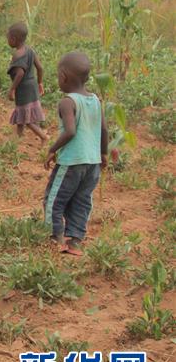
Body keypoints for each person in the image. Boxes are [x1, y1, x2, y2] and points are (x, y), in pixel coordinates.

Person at [43, 52, 108, 256]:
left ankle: (55, 237)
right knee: (81, 201)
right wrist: (103, 154)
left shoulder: (68, 102)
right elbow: (104, 129)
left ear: (63, 76)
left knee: (54, 200)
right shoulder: (95, 100)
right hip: (92, 163)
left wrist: (52, 149)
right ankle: (75, 241)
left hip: (72, 163)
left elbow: (70, 131)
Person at [6, 22, 47, 142]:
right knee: (21, 111)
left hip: (23, 89)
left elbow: (20, 73)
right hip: (32, 86)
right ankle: (18, 137)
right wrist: (40, 83)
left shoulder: (18, 55)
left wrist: (12, 89)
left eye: (8, 38)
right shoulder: (30, 50)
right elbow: (40, 68)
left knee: (27, 120)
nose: (7, 40)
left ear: (14, 39)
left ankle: (43, 137)